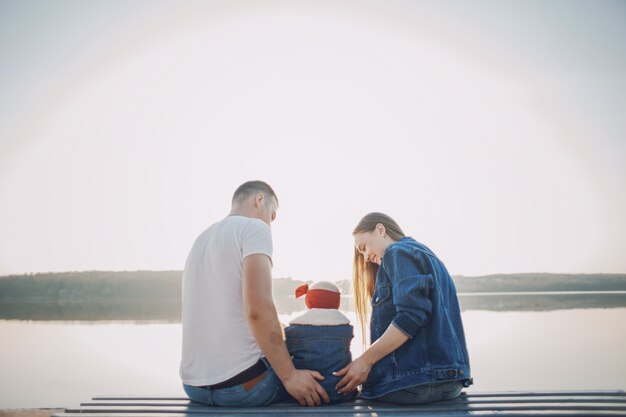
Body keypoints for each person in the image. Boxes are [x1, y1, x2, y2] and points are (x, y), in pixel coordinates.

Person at [179, 180, 330, 407]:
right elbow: (258, 309)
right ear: (259, 200)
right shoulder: (254, 228)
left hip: (194, 387)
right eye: (273, 215)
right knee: (323, 380)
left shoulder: (201, 239)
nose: (271, 222)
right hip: (242, 388)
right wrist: (290, 377)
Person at [334, 212, 472, 404]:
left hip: (414, 384)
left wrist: (364, 361)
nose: (365, 258)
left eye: (363, 247)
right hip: (451, 385)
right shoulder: (430, 257)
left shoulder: (396, 252)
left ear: (380, 229)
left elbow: (410, 316)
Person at [284, 281, 356, 404]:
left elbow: (283, 353)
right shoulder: (346, 329)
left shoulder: (294, 330)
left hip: (303, 392)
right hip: (341, 393)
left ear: (308, 301)